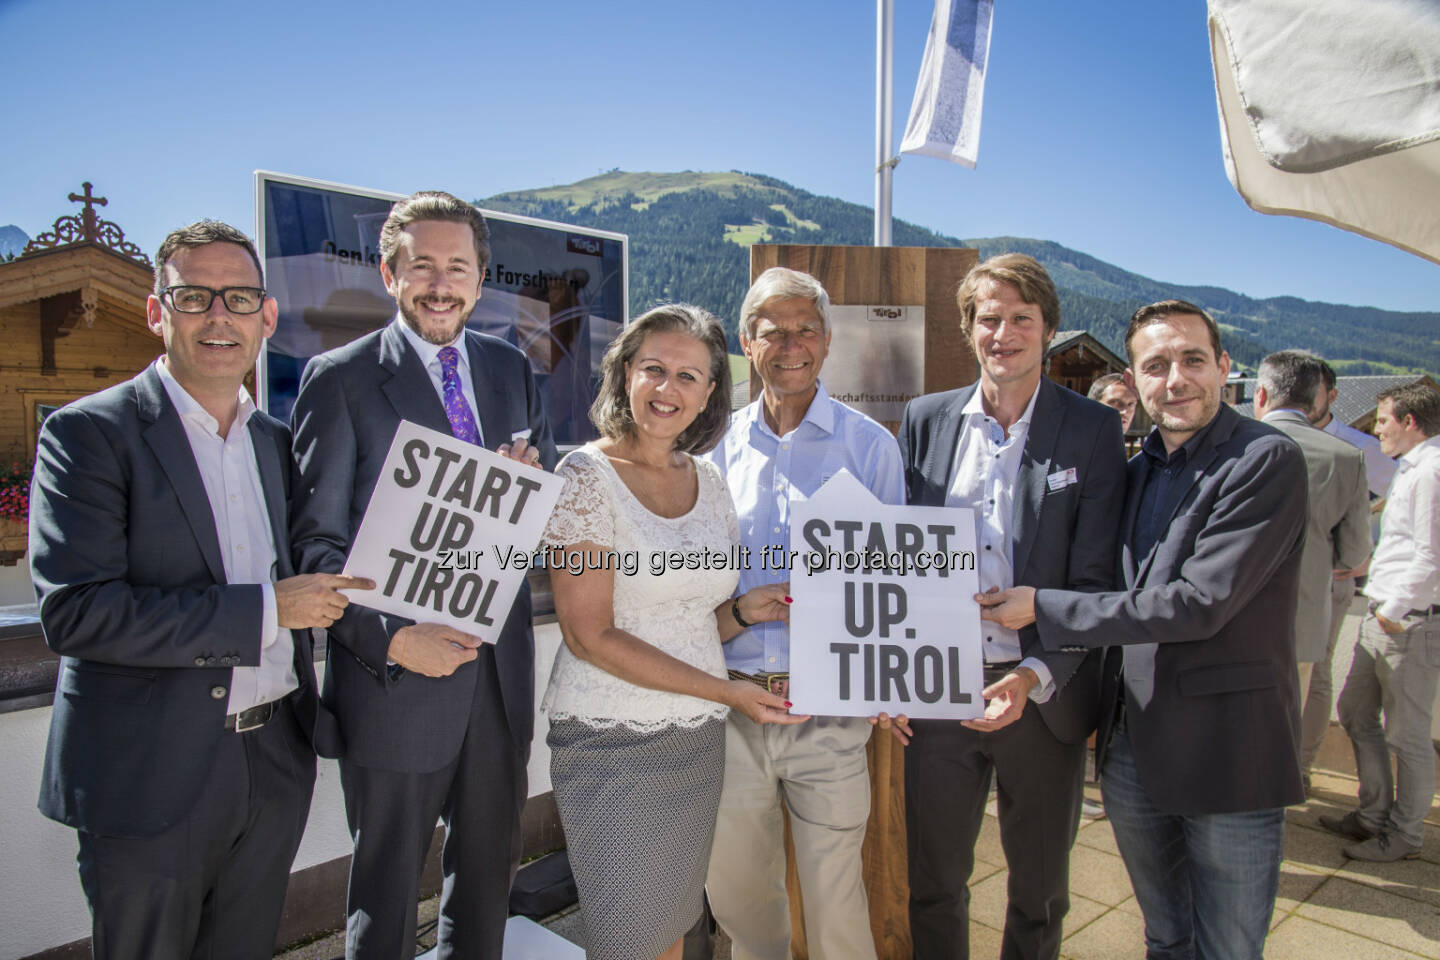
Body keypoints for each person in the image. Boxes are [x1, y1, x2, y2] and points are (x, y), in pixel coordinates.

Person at [29, 221, 369, 958]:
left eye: (240, 297)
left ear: (266, 317)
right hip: (151, 771)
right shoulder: (88, 435)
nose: (220, 315)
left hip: (274, 759)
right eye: (194, 296)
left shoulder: (276, 443)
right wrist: (265, 611)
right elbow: (76, 612)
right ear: (158, 311)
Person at [977, 299, 1308, 960]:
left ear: (1224, 367)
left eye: (1192, 360)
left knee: (1229, 947)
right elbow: (1104, 578)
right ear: (1134, 380)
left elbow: (1198, 604)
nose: (1175, 379)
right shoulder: (1133, 470)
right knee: (1165, 936)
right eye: (1155, 366)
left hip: (1228, 751)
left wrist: (1043, 605)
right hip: (1133, 749)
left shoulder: (1264, 459)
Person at [288, 191, 556, 959]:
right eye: (423, 266)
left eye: (459, 268)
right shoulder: (338, 381)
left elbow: (520, 530)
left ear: (480, 278)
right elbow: (316, 550)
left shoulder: (510, 371)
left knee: (485, 895)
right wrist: (394, 641)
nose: (442, 284)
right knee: (384, 900)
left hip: (498, 682)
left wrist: (526, 492)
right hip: (394, 685)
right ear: (389, 272)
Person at [544, 303, 803, 960]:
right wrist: (728, 694)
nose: (669, 390)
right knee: (628, 934)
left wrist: (746, 612)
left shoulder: (709, 480)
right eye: (654, 369)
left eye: (689, 376)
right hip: (613, 744)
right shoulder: (583, 479)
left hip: (698, 743)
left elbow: (691, 616)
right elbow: (589, 635)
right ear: (625, 372)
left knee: (674, 926)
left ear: (711, 391)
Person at [897, 253, 1126, 960]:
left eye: (1020, 318)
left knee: (1040, 892)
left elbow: (1094, 577)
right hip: (938, 692)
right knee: (933, 881)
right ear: (968, 330)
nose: (1004, 333)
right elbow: (898, 559)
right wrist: (894, 673)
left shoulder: (1091, 430)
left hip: (1040, 691)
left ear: (1049, 329)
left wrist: (1033, 676)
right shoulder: (926, 419)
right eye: (988, 318)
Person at [703, 267, 903, 960]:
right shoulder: (710, 451)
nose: (792, 344)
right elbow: (691, 589)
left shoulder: (871, 446)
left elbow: (894, 587)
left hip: (830, 713)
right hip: (730, 710)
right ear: (747, 344)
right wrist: (741, 611)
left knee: (836, 902)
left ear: (828, 340)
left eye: (807, 329)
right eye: (773, 331)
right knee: (737, 900)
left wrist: (893, 678)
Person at [1320, 382, 1440, 861]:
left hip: (1407, 621)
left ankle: (1406, 835)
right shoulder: (1414, 469)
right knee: (1354, 712)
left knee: (1407, 735)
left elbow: (1432, 555)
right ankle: (1372, 815)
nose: (1380, 429)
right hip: (1385, 612)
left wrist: (1393, 611)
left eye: (1385, 420)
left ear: (1410, 422)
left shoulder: (1432, 472)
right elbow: (1405, 546)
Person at [1254, 349, 1371, 791]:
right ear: (1315, 398)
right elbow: (1355, 552)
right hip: (1301, 616)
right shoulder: (1346, 457)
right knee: (1283, 723)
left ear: (1261, 393)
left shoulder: (1230, 444)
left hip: (1223, 615)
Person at [1299, 358, 1395, 782]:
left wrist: (1344, 559)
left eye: (1311, 392)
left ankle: (1299, 769)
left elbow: (1375, 513)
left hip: (1328, 580)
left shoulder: (1363, 449)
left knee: (1316, 674)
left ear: (1331, 396)